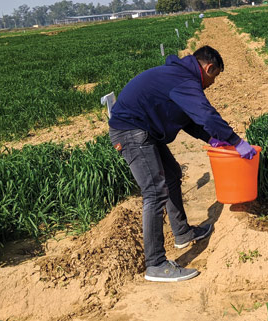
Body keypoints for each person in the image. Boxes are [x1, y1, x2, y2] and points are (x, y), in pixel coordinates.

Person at [109, 45, 257, 282]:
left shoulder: (179, 76)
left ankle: (182, 232)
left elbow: (187, 118)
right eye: (215, 76)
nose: (213, 83)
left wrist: (211, 138)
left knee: (172, 175)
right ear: (208, 68)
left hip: (143, 130)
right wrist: (235, 141)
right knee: (155, 193)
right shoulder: (183, 80)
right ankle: (155, 264)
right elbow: (205, 114)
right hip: (130, 132)